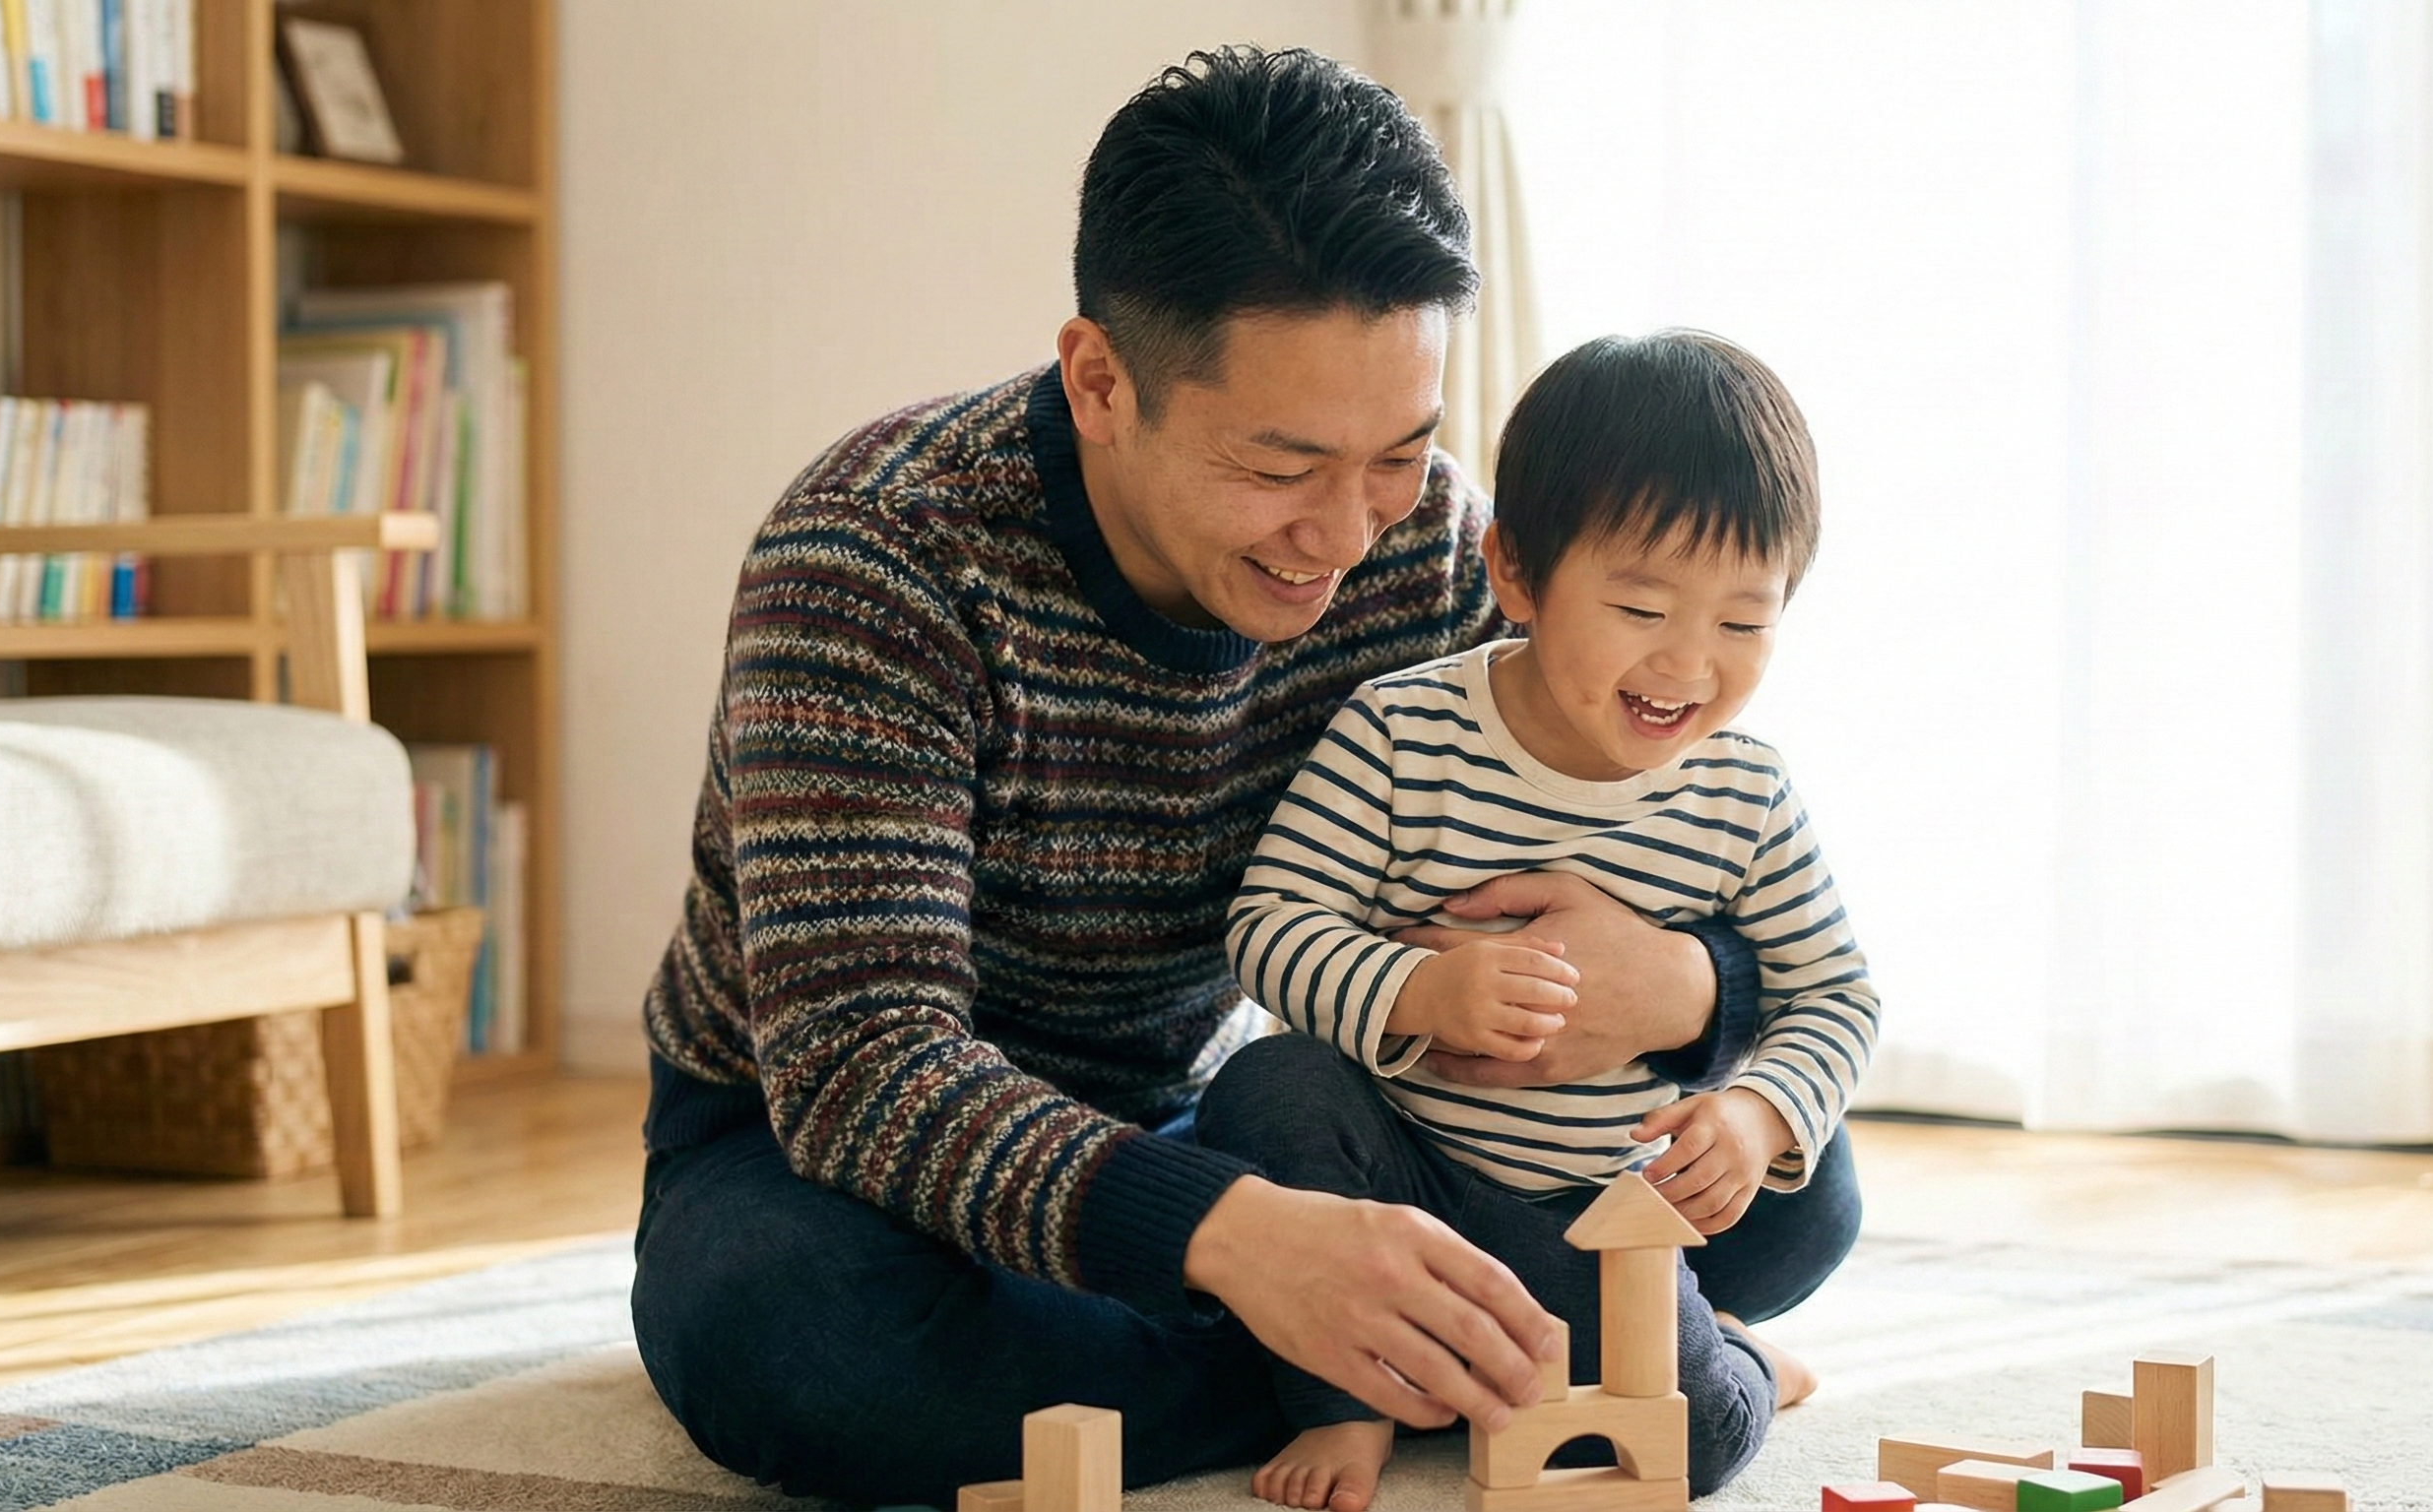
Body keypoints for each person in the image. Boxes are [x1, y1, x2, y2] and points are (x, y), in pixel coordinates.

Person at [627, 46, 1860, 1509]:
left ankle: (1390, 1351)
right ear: (1100, 382)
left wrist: (1693, 988)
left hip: (1215, 1115)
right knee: (803, 1345)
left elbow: (1646, 825)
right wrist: (1244, 1239)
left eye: (1399, 451)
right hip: (832, 1158)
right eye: (1279, 465)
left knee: (1796, 1194)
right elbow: (859, 1071)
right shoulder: (881, 558)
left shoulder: (1432, 546)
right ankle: (1478, 1358)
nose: (1343, 534)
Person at [1202, 330, 1877, 1511]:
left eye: (1742, 623)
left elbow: (1837, 995)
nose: (1687, 663)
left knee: (1681, 1442)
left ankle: (1741, 1368)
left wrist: (1758, 1111)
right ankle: (1342, 1398)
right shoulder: (1402, 734)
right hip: (1413, 1178)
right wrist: (1417, 993)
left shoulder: (1744, 791)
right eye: (1638, 606)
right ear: (1514, 573)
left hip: (1616, 1216)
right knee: (1270, 1090)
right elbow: (1268, 927)